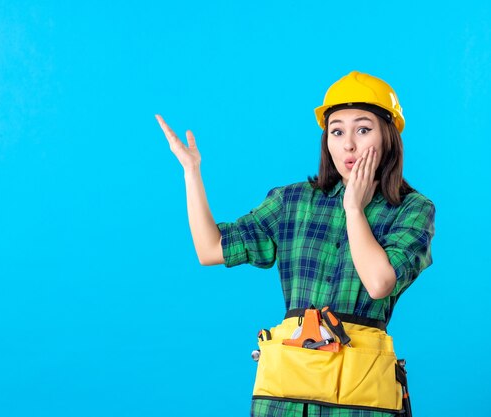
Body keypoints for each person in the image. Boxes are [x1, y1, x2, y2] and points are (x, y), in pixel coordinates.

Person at [155, 71, 435, 417]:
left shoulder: (412, 209)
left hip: (360, 400)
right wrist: (191, 171)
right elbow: (211, 248)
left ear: (388, 137)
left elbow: (379, 283)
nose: (348, 144)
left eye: (363, 129)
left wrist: (353, 208)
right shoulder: (293, 202)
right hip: (287, 395)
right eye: (337, 131)